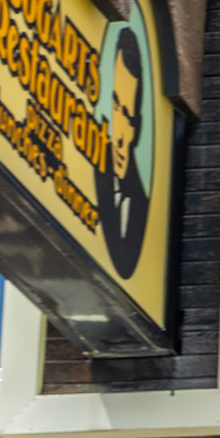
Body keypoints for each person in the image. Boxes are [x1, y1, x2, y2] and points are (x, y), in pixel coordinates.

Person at [96, 27, 149, 279]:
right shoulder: (91, 170)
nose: (118, 130)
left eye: (127, 115)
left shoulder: (141, 199)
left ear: (137, 126)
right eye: (115, 104)